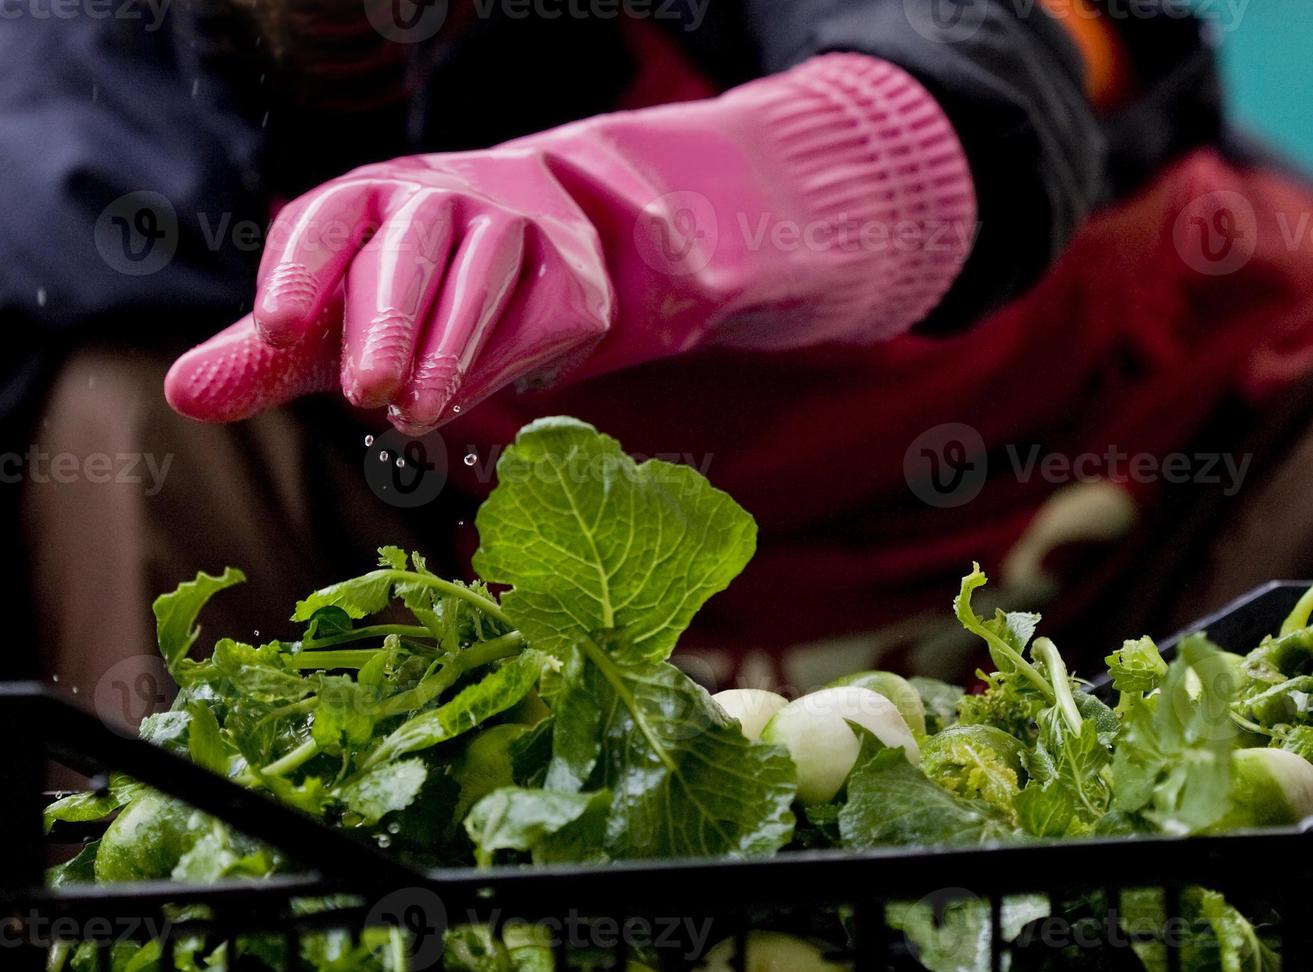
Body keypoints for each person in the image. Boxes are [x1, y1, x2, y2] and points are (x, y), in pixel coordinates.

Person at [8, 0, 1313, 719]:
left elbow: (1009, 54)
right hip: (496, 630)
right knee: (124, 412)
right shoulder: (69, 87)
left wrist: (667, 203)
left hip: (1120, 504)